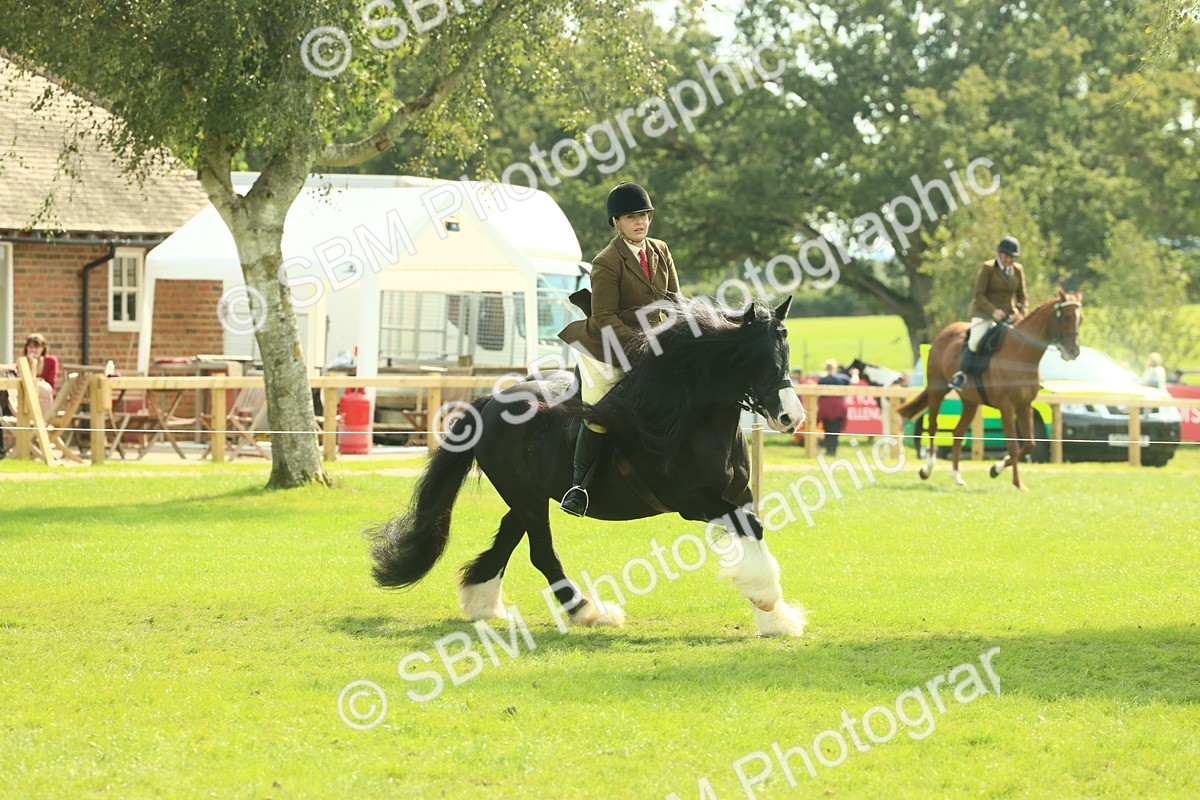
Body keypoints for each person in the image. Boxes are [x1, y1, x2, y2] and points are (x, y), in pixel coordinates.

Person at [556, 181, 681, 516]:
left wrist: (679, 336)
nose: (640, 222)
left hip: (656, 341)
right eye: (630, 216)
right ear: (616, 222)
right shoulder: (606, 261)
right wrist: (643, 345)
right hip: (607, 345)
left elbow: (674, 301)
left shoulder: (660, 250)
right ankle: (578, 487)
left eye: (644, 215)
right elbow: (603, 318)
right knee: (600, 408)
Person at [948, 236, 1029, 391]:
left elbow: (1022, 296)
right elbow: (979, 294)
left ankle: (1026, 377)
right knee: (976, 340)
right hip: (984, 312)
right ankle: (961, 374)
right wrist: (993, 311)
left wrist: (1022, 312)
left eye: (1012, 257)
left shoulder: (1018, 270)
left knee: (1022, 340)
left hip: (1008, 314)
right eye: (1006, 256)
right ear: (999, 254)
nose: (1009, 260)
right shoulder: (988, 268)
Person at [816, 359, 851, 456]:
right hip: (838, 407)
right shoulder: (842, 378)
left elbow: (818, 394)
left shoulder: (822, 380)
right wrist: (855, 373)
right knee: (835, 430)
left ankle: (829, 451)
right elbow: (854, 382)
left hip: (826, 407)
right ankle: (833, 451)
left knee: (827, 429)